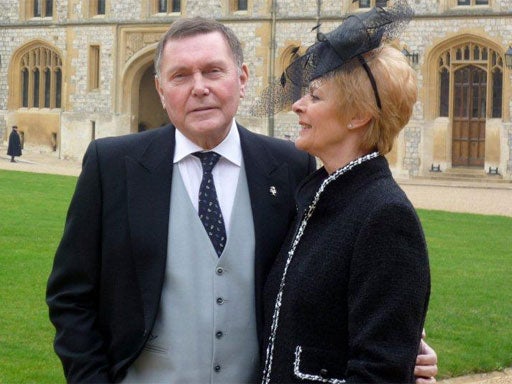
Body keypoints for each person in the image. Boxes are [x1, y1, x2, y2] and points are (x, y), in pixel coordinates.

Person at [46, 17, 437, 383]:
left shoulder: (292, 168)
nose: (199, 87)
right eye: (180, 76)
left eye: (213, 71)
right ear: (161, 90)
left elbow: (341, 286)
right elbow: (71, 297)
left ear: (243, 78)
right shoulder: (112, 165)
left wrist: (403, 349)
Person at [259, 1, 432, 383]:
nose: (298, 105)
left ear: (358, 116)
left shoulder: (385, 216)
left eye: (315, 96)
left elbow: (379, 371)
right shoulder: (317, 199)